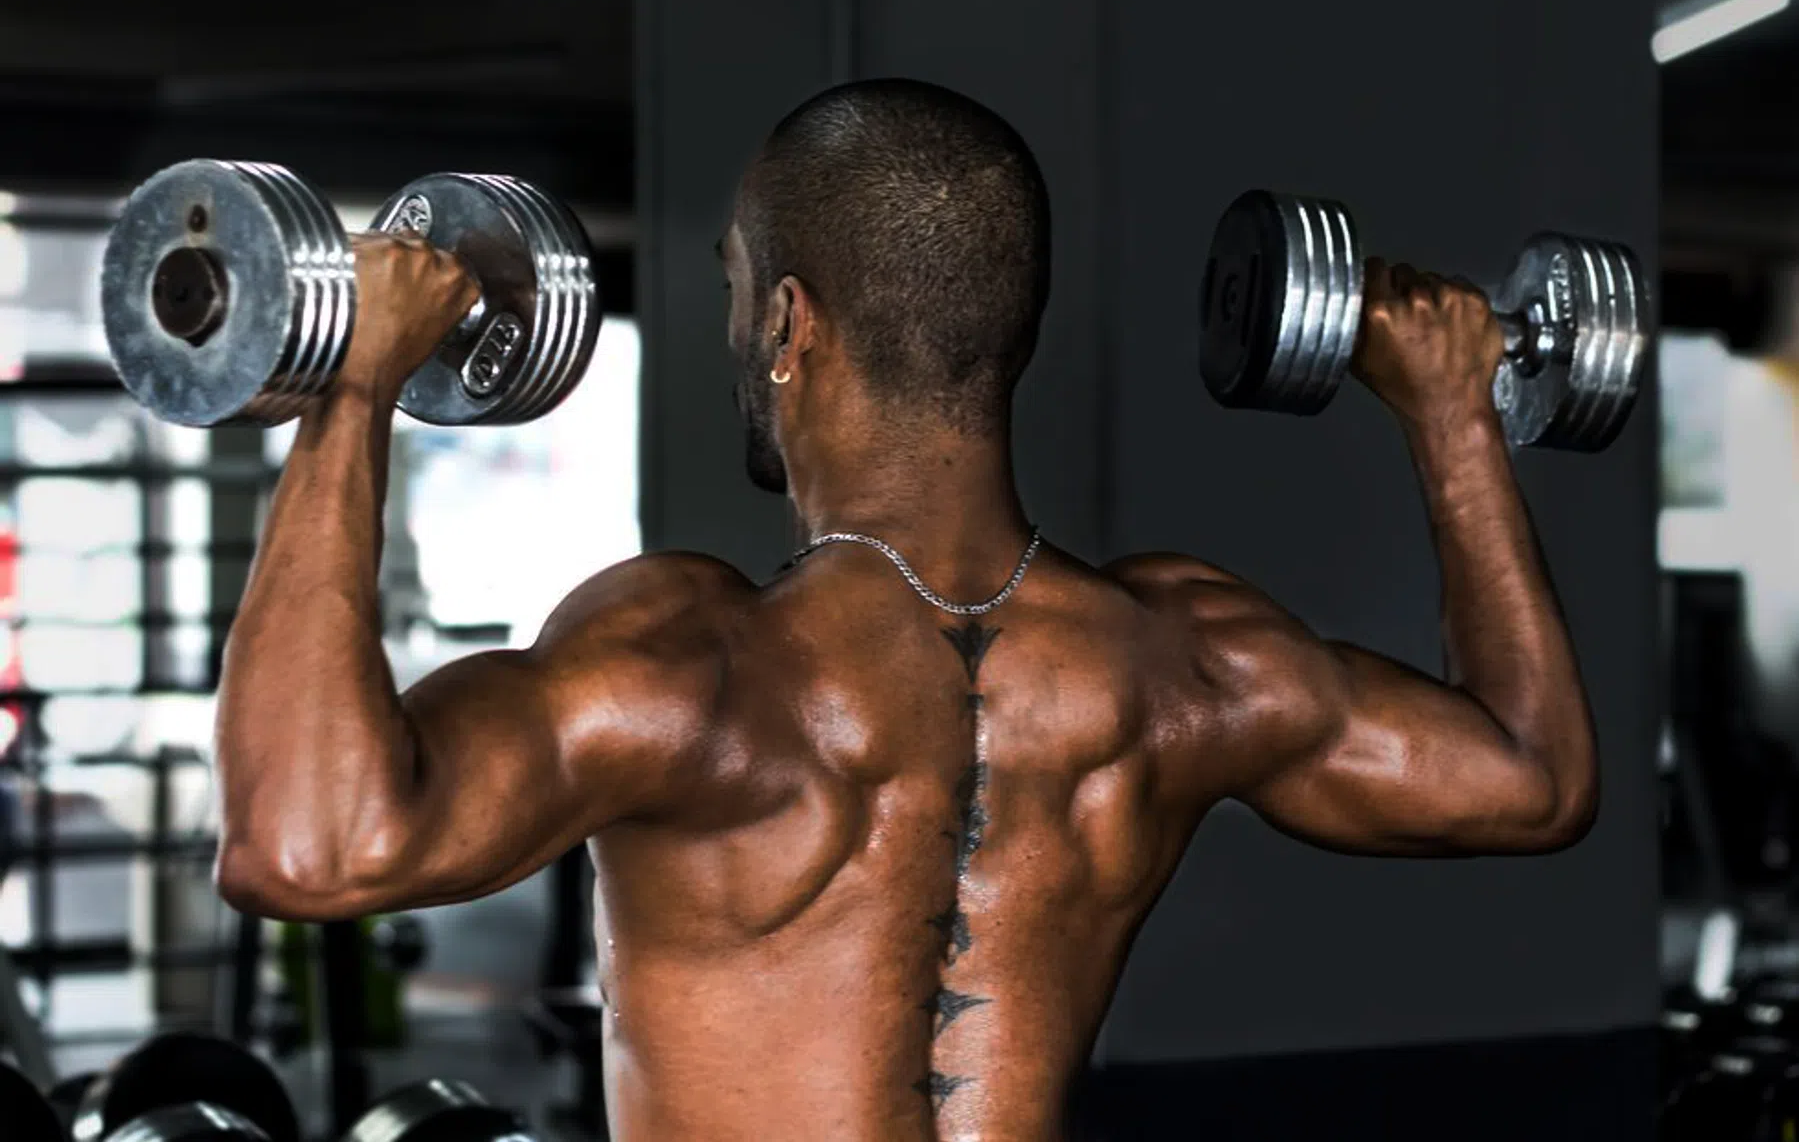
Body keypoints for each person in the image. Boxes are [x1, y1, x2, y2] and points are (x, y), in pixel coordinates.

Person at [212, 78, 1599, 1141]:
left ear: (789, 325)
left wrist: (356, 387)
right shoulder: (1183, 660)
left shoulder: (693, 662)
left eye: (738, 295)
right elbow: (1533, 780)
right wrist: (1450, 417)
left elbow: (308, 845)